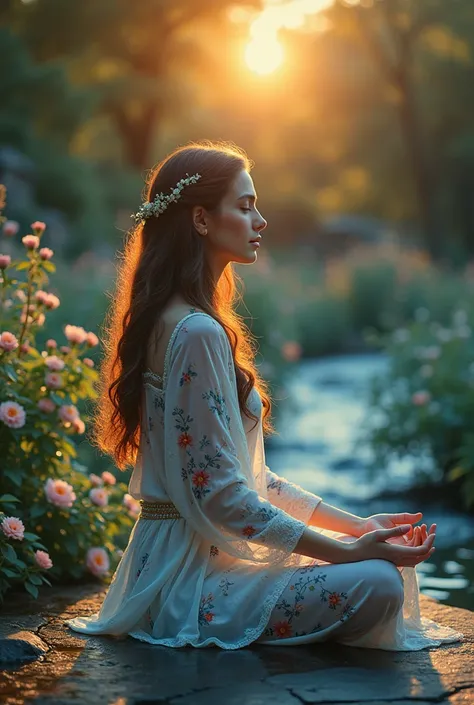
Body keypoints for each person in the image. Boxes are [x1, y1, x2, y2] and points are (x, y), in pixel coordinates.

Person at [65, 140, 464, 650]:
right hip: (189, 581)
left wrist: (356, 526)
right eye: (246, 205)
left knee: (370, 564)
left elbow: (251, 482)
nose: (262, 220)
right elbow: (224, 497)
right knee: (377, 580)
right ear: (202, 220)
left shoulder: (181, 320)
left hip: (181, 560)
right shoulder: (195, 332)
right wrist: (346, 552)